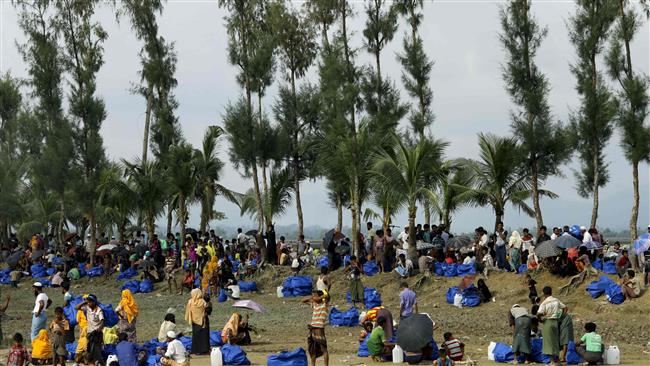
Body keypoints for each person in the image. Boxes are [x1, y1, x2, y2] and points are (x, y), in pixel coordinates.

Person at [536, 286, 566, 366]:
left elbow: (538, 313)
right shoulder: (556, 300)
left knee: (549, 342)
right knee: (555, 341)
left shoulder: (544, 302)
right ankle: (558, 361)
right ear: (551, 292)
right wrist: (560, 317)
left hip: (547, 322)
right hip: (555, 322)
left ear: (544, 293)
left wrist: (540, 320)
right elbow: (565, 308)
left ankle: (552, 361)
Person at [302, 290, 329, 366]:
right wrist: (313, 297)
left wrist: (319, 297)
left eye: (315, 295)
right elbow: (303, 300)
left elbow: (327, 296)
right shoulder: (314, 304)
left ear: (320, 296)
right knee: (312, 349)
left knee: (324, 349)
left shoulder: (324, 304)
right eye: (312, 295)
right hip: (312, 328)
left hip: (319, 328)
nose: (313, 297)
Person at [76, 294, 105, 366]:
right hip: (89, 334)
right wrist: (84, 302)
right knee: (90, 352)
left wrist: (99, 328)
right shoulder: (87, 308)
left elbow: (102, 321)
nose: (89, 303)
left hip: (97, 335)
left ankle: (101, 364)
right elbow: (76, 307)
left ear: (94, 302)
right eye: (88, 302)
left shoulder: (99, 310)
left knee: (96, 353)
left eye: (90, 302)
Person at [185, 289, 210, 355]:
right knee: (204, 335)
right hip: (203, 320)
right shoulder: (203, 302)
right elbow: (208, 310)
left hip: (194, 321)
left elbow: (188, 312)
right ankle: (205, 350)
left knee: (196, 336)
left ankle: (196, 350)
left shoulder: (190, 302)